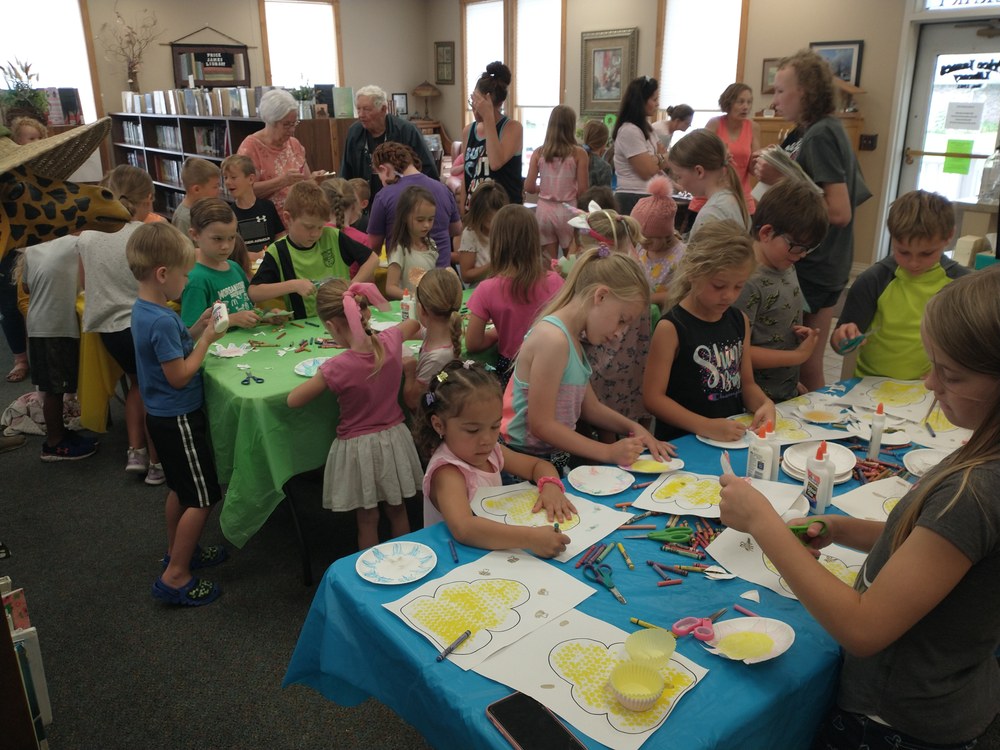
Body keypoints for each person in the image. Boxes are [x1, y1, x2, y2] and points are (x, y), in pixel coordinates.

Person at [719, 266, 1000, 749]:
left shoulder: (976, 491)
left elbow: (863, 629)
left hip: (900, 723)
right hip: (950, 694)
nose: (930, 383)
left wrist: (762, 522)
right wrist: (842, 528)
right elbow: (941, 548)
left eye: (950, 374)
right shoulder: (983, 455)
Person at [755, 49, 871, 391]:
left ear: (804, 91)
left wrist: (781, 180)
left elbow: (839, 211)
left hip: (814, 264)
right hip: (818, 261)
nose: (774, 100)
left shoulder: (821, 134)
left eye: (779, 90)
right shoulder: (813, 131)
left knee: (805, 362)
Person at [501, 247, 673, 474]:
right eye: (622, 320)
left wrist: (632, 427)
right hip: (522, 464)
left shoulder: (573, 340)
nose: (619, 334)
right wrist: (607, 452)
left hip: (551, 458)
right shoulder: (554, 340)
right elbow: (542, 425)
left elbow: (590, 408)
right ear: (600, 296)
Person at [127, 223, 229, 606]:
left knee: (181, 490)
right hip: (179, 418)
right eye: (185, 274)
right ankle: (175, 576)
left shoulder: (145, 311)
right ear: (163, 274)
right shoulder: (162, 320)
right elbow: (180, 374)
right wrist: (206, 339)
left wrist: (196, 326)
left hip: (162, 419)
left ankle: (178, 551)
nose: (187, 281)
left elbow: (167, 350)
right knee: (203, 497)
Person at [287, 280, 423, 550]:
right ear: (366, 313)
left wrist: (323, 371)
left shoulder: (335, 368)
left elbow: (293, 400)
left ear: (331, 327)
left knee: (367, 519)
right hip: (395, 439)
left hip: (359, 450)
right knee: (398, 510)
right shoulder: (390, 341)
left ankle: (367, 576)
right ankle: (410, 562)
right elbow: (413, 325)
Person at [414, 360, 574, 558]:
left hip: (494, 553)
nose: (487, 440)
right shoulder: (448, 472)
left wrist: (551, 486)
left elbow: (538, 465)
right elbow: (465, 528)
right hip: (456, 560)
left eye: (494, 426)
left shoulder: (492, 452)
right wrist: (530, 538)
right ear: (439, 425)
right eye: (473, 430)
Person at [643, 221, 775, 442]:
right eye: (719, 286)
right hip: (684, 444)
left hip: (731, 439)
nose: (729, 296)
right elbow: (653, 398)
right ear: (693, 273)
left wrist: (765, 403)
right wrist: (705, 426)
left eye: (738, 286)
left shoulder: (739, 320)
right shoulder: (671, 328)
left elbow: (747, 384)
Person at [78, 165, 164, 484]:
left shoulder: (87, 236)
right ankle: (158, 462)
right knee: (154, 390)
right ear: (147, 200)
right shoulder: (141, 234)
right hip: (140, 323)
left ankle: (135, 451)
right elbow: (159, 282)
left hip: (106, 329)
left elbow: (85, 283)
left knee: (136, 386)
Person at [831, 190, 967, 381]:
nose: (913, 263)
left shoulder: (961, 285)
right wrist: (843, 338)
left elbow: (969, 345)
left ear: (949, 236)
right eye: (903, 252)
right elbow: (839, 345)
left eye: (926, 254)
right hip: (869, 386)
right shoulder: (873, 281)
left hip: (928, 389)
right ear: (892, 237)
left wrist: (948, 373)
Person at [735, 180, 829, 403]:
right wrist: (795, 356)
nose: (802, 254)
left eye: (809, 249)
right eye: (797, 246)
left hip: (782, 393)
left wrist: (790, 380)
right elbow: (737, 354)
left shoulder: (786, 264)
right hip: (751, 401)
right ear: (767, 232)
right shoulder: (746, 281)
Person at [569, 205, 654, 440]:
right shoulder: (628, 273)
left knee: (607, 425)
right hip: (620, 371)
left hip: (609, 369)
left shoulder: (620, 288)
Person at [466, 205, 563, 388]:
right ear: (534, 240)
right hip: (552, 365)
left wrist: (497, 333)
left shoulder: (486, 289)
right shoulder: (556, 282)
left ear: (496, 243)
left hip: (512, 369)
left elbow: (473, 343)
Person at [248, 181, 377, 319]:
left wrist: (351, 286)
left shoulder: (333, 236)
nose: (315, 234)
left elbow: (372, 259)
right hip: (305, 326)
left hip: (343, 318)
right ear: (287, 218)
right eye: (309, 227)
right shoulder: (278, 251)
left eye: (320, 227)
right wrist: (293, 285)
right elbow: (254, 292)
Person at [21, 235, 98, 460]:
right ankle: (54, 443)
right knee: (55, 387)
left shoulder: (32, 247)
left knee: (54, 384)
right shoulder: (76, 243)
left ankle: (61, 433)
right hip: (54, 326)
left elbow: (26, 285)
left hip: (38, 324)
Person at [0, 117, 48, 383]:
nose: (35, 143)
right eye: (30, 138)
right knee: (8, 303)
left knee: (36, 299)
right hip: (7, 248)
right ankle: (21, 357)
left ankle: (42, 352)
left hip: (36, 245)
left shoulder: (42, 176)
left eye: (39, 138)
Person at [237, 89, 327, 224]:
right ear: (271, 121)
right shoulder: (250, 147)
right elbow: (244, 191)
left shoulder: (294, 144)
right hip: (269, 222)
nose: (291, 130)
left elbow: (306, 181)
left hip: (301, 219)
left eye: (294, 123)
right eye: (286, 124)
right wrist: (281, 181)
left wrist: (315, 180)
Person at [340, 85, 439, 207]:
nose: (361, 114)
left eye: (366, 109)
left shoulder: (407, 131)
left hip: (403, 202)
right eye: (358, 109)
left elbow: (428, 170)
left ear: (383, 109)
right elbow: (346, 171)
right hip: (363, 205)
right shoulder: (354, 132)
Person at [366, 142, 461, 268]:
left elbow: (373, 246)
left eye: (379, 175)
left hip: (407, 279)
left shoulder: (384, 196)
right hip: (443, 275)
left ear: (385, 170)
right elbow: (456, 229)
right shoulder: (443, 189)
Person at [180, 199, 260, 329]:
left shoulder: (234, 267)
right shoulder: (195, 280)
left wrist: (265, 316)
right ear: (194, 235)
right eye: (217, 239)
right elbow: (191, 332)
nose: (226, 246)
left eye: (232, 237)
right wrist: (231, 320)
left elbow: (248, 309)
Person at [525, 105, 589, 262]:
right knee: (571, 259)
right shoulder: (579, 153)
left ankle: (551, 286)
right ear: (571, 126)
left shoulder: (539, 153)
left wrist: (545, 187)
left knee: (549, 262)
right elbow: (583, 190)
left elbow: (529, 187)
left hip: (544, 211)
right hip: (568, 210)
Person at [688, 84, 760, 221]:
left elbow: (753, 170)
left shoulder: (754, 127)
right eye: (740, 102)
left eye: (749, 102)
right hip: (709, 197)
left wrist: (762, 159)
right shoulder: (714, 124)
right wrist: (719, 157)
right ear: (729, 102)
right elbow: (698, 156)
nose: (746, 107)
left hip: (740, 198)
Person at [668, 128, 750, 240]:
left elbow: (700, 256)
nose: (679, 182)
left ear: (699, 171)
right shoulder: (731, 197)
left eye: (679, 177)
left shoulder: (711, 213)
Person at [461, 61, 523, 208]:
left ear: (499, 104)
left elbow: (495, 163)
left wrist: (488, 116)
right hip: (475, 214)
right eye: (473, 102)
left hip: (504, 215)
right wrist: (463, 211)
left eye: (479, 105)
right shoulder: (468, 131)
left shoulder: (513, 128)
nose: (475, 111)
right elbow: (466, 177)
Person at [403, 268, 463, 409]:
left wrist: (410, 371)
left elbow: (414, 402)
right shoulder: (440, 333)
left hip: (429, 421)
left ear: (422, 310)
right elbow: (416, 332)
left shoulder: (437, 358)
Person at [612, 76, 668, 215]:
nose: (657, 104)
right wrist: (660, 157)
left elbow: (665, 158)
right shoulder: (629, 130)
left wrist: (656, 159)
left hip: (645, 195)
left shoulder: (646, 126)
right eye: (654, 99)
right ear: (641, 102)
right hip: (632, 197)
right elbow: (646, 171)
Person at [630, 175, 685, 309]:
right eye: (639, 239)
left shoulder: (682, 256)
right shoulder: (642, 247)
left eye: (648, 241)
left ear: (665, 235)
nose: (642, 244)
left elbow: (682, 292)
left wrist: (650, 299)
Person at [221, 154, 284, 259]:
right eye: (225, 177)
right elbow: (231, 250)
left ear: (251, 179)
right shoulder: (228, 214)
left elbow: (279, 236)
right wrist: (257, 256)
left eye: (233, 177)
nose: (227, 182)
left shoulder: (267, 206)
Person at [384, 186, 439, 299]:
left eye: (430, 219)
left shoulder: (431, 244)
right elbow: (390, 287)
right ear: (405, 217)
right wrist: (415, 297)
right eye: (420, 220)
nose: (426, 225)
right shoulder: (400, 249)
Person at [457, 179, 508, 286]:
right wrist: (495, 265)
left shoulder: (507, 229)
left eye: (498, 220)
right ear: (479, 216)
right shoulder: (471, 233)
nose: (495, 225)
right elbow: (466, 275)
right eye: (489, 221)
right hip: (481, 289)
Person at [171, 158, 221, 236]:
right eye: (215, 187)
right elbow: (185, 248)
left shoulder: (205, 208)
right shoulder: (183, 219)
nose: (219, 190)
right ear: (197, 189)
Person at [581, 119, 613, 188]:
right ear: (604, 142)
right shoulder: (604, 167)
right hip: (593, 199)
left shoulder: (576, 159)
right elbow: (604, 197)